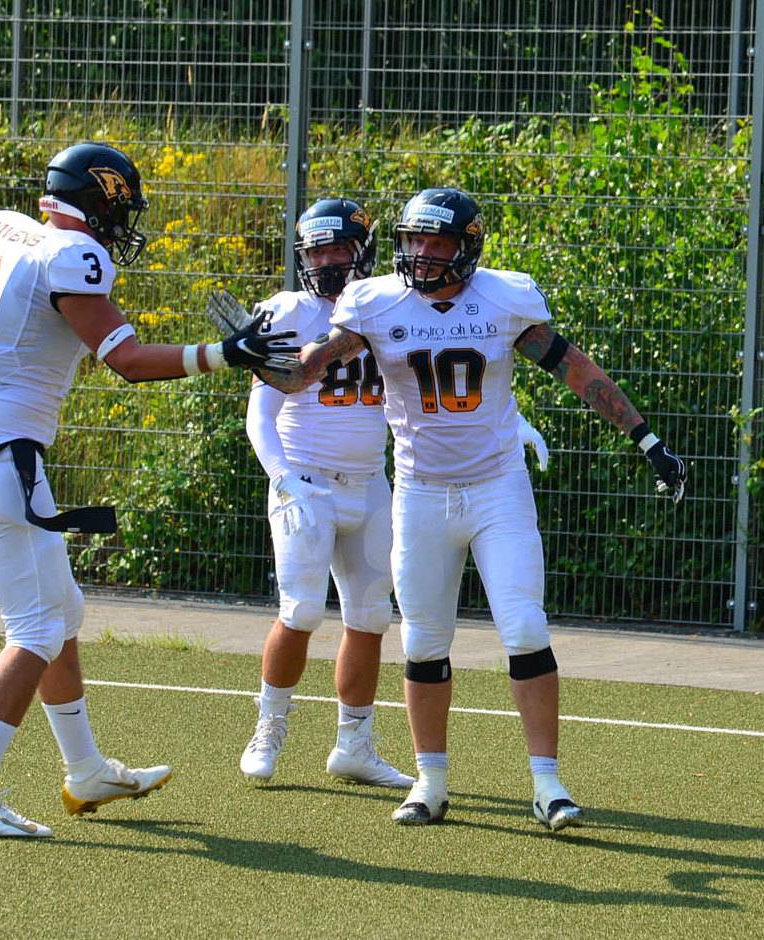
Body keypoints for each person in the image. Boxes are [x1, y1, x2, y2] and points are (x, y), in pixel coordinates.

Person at [266, 187, 688, 830]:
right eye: (414, 240)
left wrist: (646, 438)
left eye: (436, 242)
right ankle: (430, 782)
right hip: (420, 494)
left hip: (497, 488)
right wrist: (251, 357)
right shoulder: (374, 302)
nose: (421, 254)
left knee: (525, 628)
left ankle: (547, 784)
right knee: (424, 639)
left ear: (466, 248)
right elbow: (306, 372)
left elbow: (574, 369)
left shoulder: (504, 297)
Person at [0, 142, 299, 837]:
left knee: (61, 613)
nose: (123, 227)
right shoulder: (70, 254)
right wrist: (224, 354)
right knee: (35, 630)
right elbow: (125, 360)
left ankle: (86, 770)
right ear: (100, 205)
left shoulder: (0, 231)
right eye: (121, 211)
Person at [238, 196, 552, 789]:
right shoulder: (290, 311)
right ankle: (269, 725)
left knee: (371, 616)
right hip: (305, 479)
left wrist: (513, 423)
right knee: (301, 609)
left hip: (372, 482)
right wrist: (281, 476)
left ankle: (354, 744)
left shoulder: (384, 302)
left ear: (363, 251)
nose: (327, 261)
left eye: (338, 249)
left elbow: (444, 382)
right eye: (315, 252)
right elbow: (262, 414)